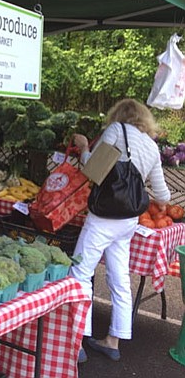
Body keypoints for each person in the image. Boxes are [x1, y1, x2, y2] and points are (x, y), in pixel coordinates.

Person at [71, 98, 170, 364]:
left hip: (102, 217)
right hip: (128, 220)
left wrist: (82, 149)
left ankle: (76, 342)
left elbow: (94, 171)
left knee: (80, 272)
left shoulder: (116, 131)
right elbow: (163, 195)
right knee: (120, 278)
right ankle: (113, 341)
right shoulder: (151, 146)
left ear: (119, 114)